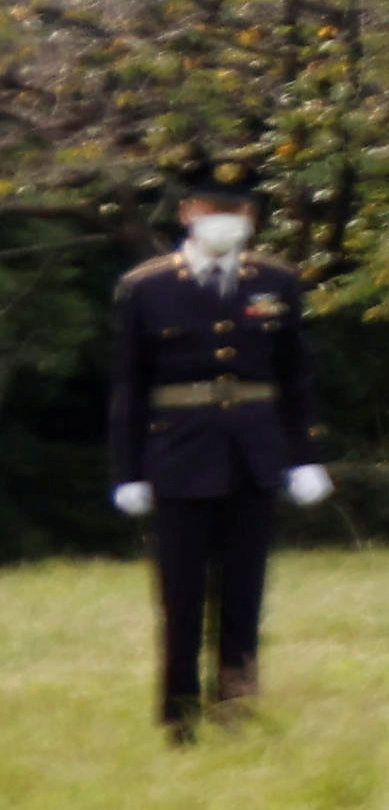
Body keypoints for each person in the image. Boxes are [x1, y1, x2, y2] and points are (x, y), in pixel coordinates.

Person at [107, 159, 326, 740]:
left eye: (237, 209)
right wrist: (127, 470)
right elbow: (130, 386)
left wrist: (305, 455)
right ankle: (179, 712)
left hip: (254, 453)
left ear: (251, 215)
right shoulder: (147, 287)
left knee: (243, 587)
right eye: (213, 208)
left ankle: (236, 705)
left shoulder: (276, 281)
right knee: (180, 592)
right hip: (178, 455)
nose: (226, 219)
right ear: (187, 213)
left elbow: (296, 378)